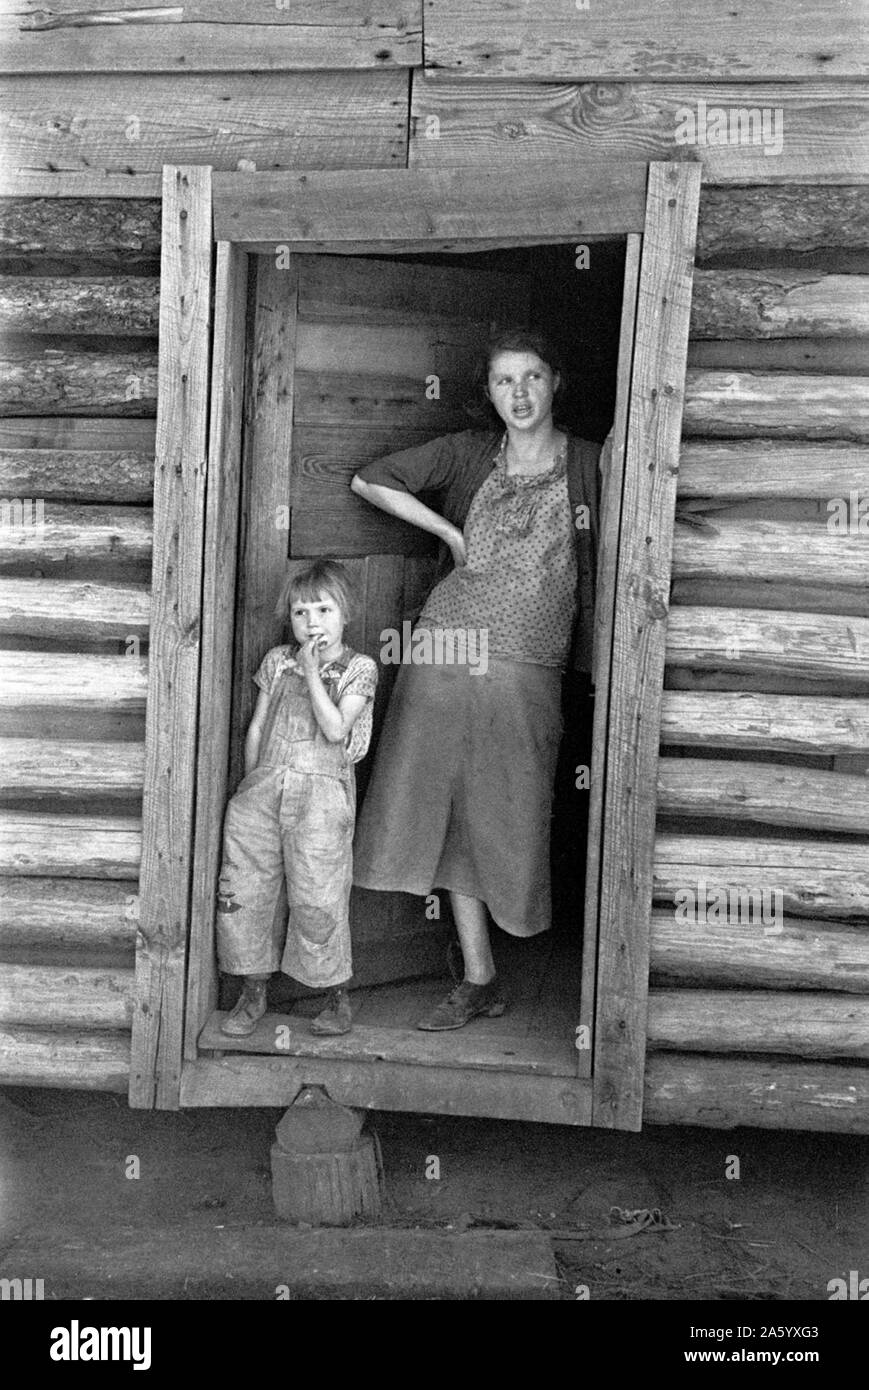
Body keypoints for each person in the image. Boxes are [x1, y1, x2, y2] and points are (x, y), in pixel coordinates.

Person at [351, 327, 608, 1031]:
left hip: (530, 658)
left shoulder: (593, 462)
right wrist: (450, 533)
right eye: (503, 381)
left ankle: (514, 962)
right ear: (487, 391)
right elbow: (369, 478)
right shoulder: (469, 453)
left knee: (505, 809)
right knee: (436, 802)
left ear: (555, 381)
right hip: (445, 644)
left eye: (531, 378)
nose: (518, 394)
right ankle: (477, 975)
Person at [216, 559, 378, 1038]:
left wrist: (311, 674)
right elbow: (259, 726)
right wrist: (251, 785)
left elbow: (334, 728)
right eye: (301, 613)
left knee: (318, 894)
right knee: (247, 890)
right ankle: (253, 990)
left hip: (321, 798)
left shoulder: (359, 669)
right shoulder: (275, 660)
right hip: (263, 791)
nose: (312, 624)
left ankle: (334, 995)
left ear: (345, 615)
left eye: (324, 611)